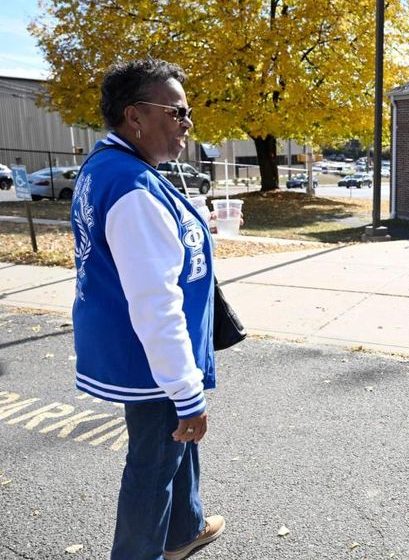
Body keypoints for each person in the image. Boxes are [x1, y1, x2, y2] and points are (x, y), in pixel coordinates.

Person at [70, 58, 224, 560]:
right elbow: (155, 302)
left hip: (141, 351)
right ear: (135, 117)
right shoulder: (133, 188)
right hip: (151, 361)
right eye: (177, 112)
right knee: (155, 460)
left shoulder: (113, 166)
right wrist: (185, 390)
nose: (187, 123)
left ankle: (186, 528)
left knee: (175, 448)